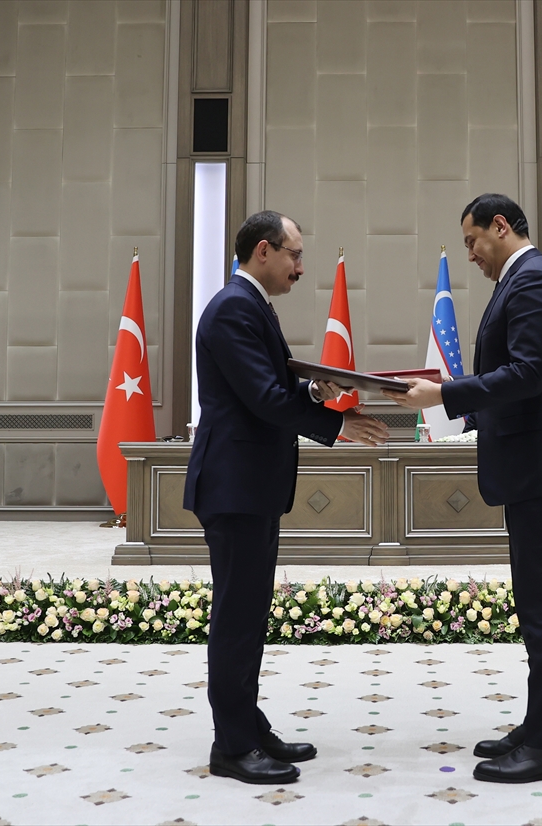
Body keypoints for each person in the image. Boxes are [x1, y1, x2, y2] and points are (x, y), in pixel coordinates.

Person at [384, 193, 542, 784]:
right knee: (535, 602)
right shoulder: (525, 279)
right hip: (537, 463)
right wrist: (458, 395)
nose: (470, 255)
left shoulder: (534, 280)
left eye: (472, 241)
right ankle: (538, 725)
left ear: (500, 226)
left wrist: (444, 394)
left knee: (541, 607)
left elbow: (528, 374)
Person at [184, 210, 389, 785]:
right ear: (264, 251)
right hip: (235, 487)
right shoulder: (233, 308)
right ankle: (232, 746)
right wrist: (337, 423)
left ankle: (248, 728)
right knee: (237, 619)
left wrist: (315, 391)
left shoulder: (250, 305)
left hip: (250, 487)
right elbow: (264, 400)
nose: (300, 268)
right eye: (295, 255)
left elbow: (270, 387)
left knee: (249, 615)